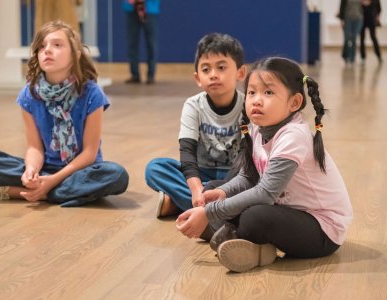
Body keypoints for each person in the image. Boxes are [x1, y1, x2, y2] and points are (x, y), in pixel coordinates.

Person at [176, 57, 353, 273]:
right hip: (285, 211)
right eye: (251, 93)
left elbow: (265, 193)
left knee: (254, 217)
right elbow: (247, 177)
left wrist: (209, 213)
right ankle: (248, 243)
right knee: (213, 188)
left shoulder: (293, 136)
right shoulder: (257, 129)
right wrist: (222, 192)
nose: (256, 100)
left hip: (322, 230)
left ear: (294, 103)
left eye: (268, 93)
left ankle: (233, 234)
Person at [0, 20, 129, 207]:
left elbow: (90, 153)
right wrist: (31, 170)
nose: (47, 50)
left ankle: (41, 193)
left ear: (75, 54)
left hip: (82, 169)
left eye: (57, 45)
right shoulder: (29, 94)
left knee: (116, 175)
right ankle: (57, 190)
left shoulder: (92, 93)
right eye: (42, 46)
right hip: (45, 168)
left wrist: (52, 180)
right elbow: (34, 148)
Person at [145, 33, 246, 218]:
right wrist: (196, 190)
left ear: (240, 73)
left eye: (221, 67)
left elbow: (246, 158)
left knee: (260, 181)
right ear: (198, 78)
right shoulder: (193, 105)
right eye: (206, 70)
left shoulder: (248, 106)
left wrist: (224, 189)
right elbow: (187, 152)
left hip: (234, 178)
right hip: (201, 174)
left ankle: (183, 204)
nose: (213, 75)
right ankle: (218, 210)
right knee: (155, 168)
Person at [123, 0, 160, 84]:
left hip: (150, 8)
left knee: (151, 44)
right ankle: (135, 75)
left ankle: (151, 75)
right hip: (130, 7)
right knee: (132, 43)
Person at [338, 0, 364, 65]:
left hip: (358, 19)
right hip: (348, 19)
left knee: (354, 38)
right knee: (347, 37)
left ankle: (352, 58)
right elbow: (342, 7)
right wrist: (341, 19)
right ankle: (346, 56)